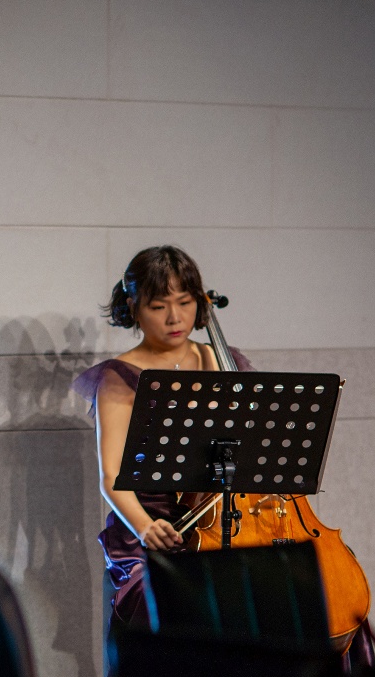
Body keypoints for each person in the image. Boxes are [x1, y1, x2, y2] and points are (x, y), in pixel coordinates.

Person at [72, 246, 251, 636]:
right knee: (177, 613)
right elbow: (111, 475)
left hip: (223, 523)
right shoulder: (121, 376)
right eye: (158, 306)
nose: (175, 317)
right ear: (134, 307)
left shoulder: (225, 360)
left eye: (185, 302)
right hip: (152, 531)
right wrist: (144, 526)